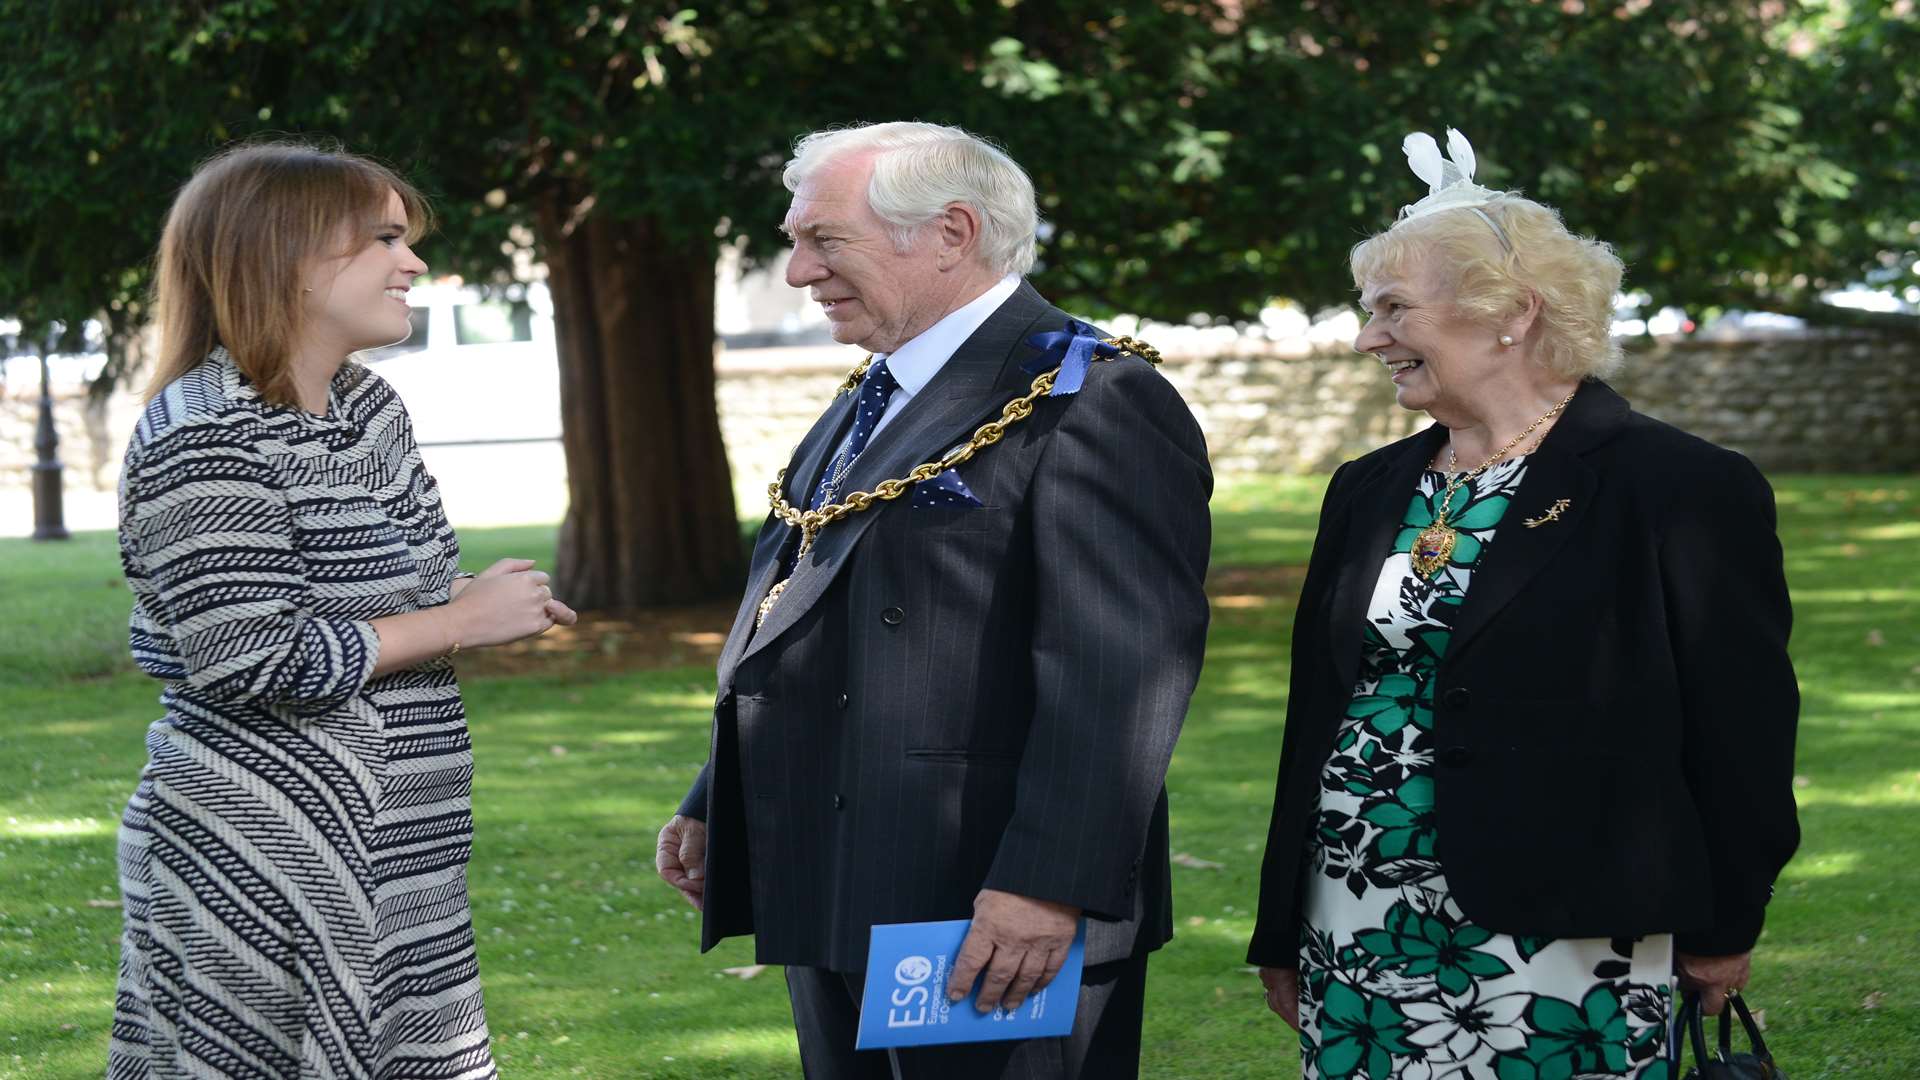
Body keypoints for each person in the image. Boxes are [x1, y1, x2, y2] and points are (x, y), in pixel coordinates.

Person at [654, 121, 1212, 1080]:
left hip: (991, 900)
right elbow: (807, 602)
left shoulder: (1093, 396)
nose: (796, 271)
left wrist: (1046, 886)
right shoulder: (877, 387)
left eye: (823, 239)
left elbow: (1118, 671)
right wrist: (722, 794)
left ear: (951, 231)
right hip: (835, 869)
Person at [1247, 130, 1799, 1079]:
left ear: (1512, 313)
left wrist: (1723, 923)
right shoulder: (1368, 486)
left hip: (1567, 926)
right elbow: (1316, 717)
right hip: (1355, 909)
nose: (1368, 337)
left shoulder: (1677, 486)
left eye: (1393, 310)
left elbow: (1742, 727)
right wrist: (1281, 926)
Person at [110, 140, 576, 1079]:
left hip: (405, 856)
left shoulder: (368, 408)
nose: (414, 263)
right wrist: (458, 621)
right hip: (267, 857)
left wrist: (475, 600)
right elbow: (250, 661)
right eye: (384, 240)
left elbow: (397, 589)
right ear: (281, 252)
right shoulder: (201, 434)